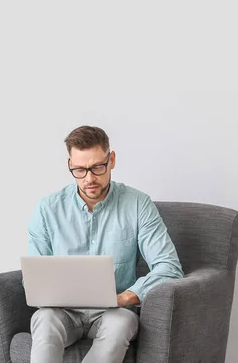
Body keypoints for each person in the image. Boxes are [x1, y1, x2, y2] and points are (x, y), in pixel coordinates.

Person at [27, 125, 184, 363]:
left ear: (111, 160)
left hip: (114, 313)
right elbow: (35, 276)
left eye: (98, 167)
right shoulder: (47, 209)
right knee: (45, 320)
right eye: (80, 170)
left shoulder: (138, 204)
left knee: (121, 322)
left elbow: (169, 267)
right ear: (70, 164)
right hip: (62, 314)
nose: (89, 179)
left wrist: (126, 296)